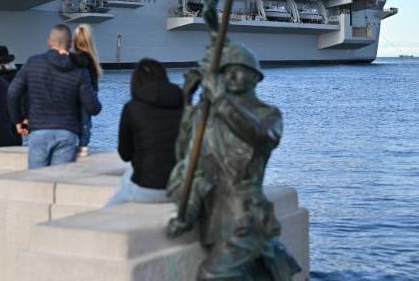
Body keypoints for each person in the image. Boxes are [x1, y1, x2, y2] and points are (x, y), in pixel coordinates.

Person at [166, 43, 300, 279]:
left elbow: (261, 136)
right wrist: (187, 101)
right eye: (227, 70)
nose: (232, 76)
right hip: (214, 212)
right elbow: (186, 157)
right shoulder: (209, 113)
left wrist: (219, 99)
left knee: (213, 275)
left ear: (256, 77)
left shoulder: (268, 114)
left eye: (240, 69)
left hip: (246, 215)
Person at [8, 24, 101, 169]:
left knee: (36, 181)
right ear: (70, 44)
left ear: (49, 42)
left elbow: (13, 92)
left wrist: (18, 120)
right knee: (60, 180)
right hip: (67, 133)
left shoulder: (33, 62)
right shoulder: (80, 70)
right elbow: (93, 108)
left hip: (38, 131)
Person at [105, 59, 183, 206]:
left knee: (111, 204)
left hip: (147, 188)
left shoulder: (131, 108)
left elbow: (125, 154)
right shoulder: (182, 102)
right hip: (180, 186)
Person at [71, 24, 101, 157]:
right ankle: (83, 145)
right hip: (90, 92)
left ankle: (80, 145)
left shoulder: (75, 58)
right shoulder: (91, 57)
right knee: (85, 122)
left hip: (77, 91)